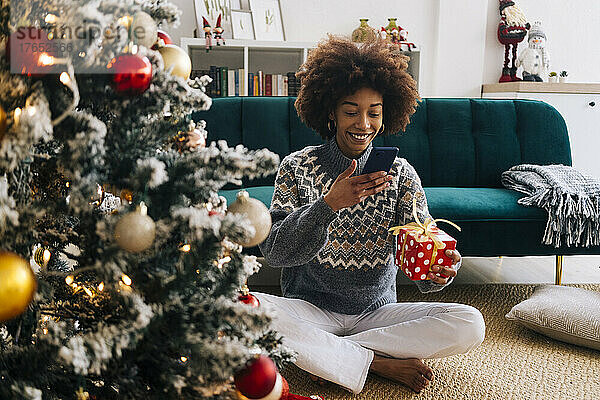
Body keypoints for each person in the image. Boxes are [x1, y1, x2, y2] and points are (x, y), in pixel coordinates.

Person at [256, 36, 485, 395]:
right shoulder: (297, 167)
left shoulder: (401, 175)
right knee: (246, 308)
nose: (363, 124)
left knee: (470, 322)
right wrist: (328, 204)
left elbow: (420, 268)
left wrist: (439, 270)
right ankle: (375, 361)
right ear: (330, 111)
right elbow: (275, 252)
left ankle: (334, 357)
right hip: (311, 310)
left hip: (376, 315)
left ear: (387, 113)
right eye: (350, 111)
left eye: (374, 112)